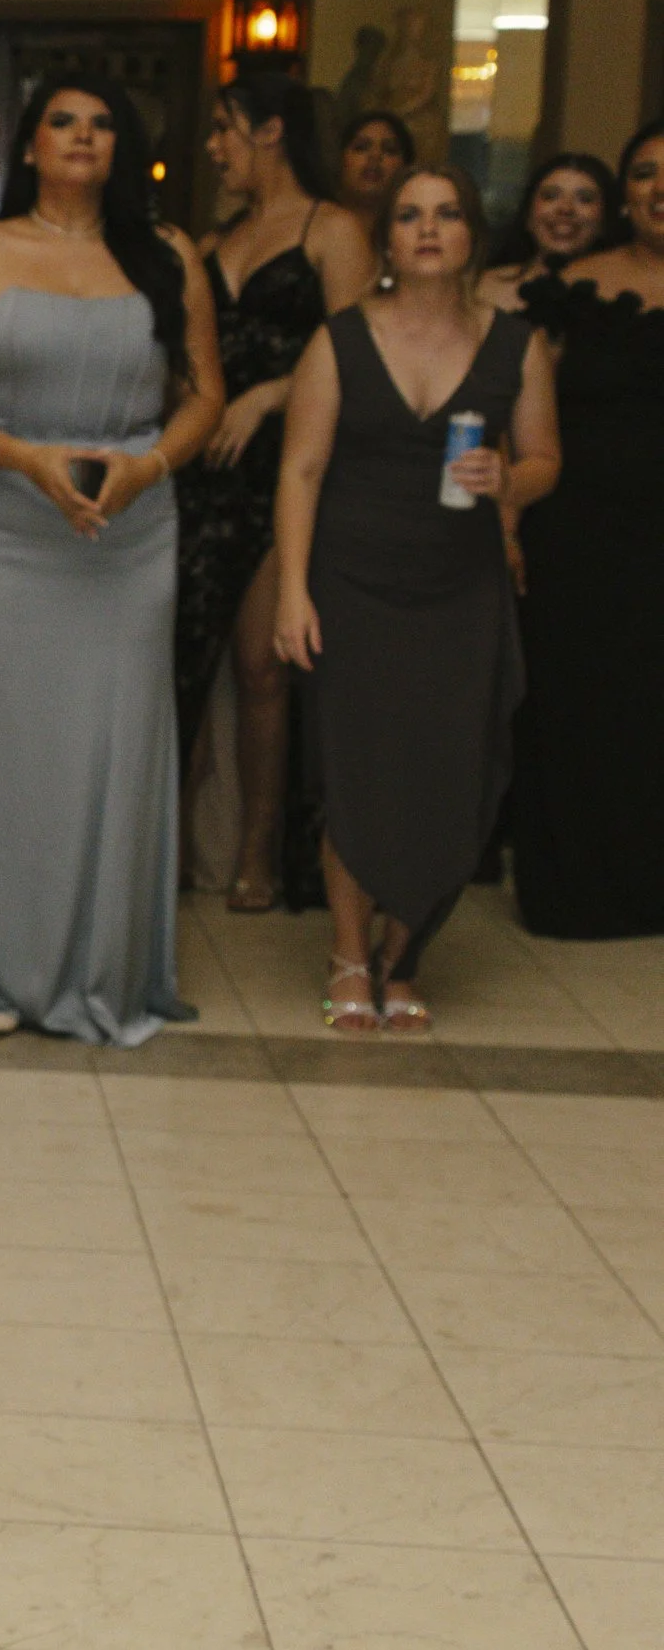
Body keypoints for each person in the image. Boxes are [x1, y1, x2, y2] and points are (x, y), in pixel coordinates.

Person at [0, 73, 224, 1046]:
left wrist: (146, 467)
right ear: (28, 144)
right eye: (62, 121)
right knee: (0, 742)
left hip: (124, 529)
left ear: (123, 149)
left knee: (103, 739)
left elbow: (202, 397)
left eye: (102, 123)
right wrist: (26, 460)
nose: (81, 137)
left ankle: (93, 964)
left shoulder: (165, 255)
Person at [274, 163, 559, 1032]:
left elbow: (547, 462)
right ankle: (351, 956)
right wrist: (292, 590)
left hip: (461, 587)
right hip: (354, 578)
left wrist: (509, 479)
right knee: (360, 766)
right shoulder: (339, 339)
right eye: (409, 216)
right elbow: (301, 468)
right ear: (388, 241)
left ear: (472, 234)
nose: (429, 229)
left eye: (447, 214)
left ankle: (407, 956)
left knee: (449, 769)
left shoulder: (518, 343)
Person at [174, 73, 371, 912]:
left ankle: (257, 854)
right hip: (201, 472)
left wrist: (268, 395)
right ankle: (172, 844)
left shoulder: (335, 231)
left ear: (272, 131)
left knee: (262, 668)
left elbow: (360, 359)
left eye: (226, 128)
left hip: (284, 471)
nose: (214, 147)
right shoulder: (214, 239)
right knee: (181, 661)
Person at [508, 121, 664, 938]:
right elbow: (525, 416)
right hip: (581, 539)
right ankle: (575, 893)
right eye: (644, 173)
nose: (661, 188)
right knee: (577, 706)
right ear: (625, 194)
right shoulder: (570, 290)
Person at [484, 151, 620, 302]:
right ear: (528, 215)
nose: (565, 209)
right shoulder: (482, 288)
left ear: (605, 221)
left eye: (584, 199)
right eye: (550, 196)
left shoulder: (622, 294)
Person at [335, 107, 417, 242]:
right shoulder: (314, 228)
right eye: (361, 147)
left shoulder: (417, 236)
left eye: (389, 150)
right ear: (339, 159)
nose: (375, 156)